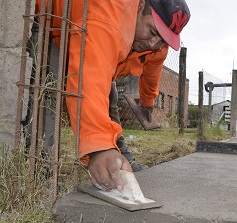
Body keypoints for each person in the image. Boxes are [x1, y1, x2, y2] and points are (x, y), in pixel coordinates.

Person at [30, 0, 191, 191]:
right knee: (49, 91)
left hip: (85, 33)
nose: (154, 44)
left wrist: (147, 103)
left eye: (163, 39)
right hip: (51, 24)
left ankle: (118, 153)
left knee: (110, 95)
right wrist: (98, 148)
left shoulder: (157, 45)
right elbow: (90, 76)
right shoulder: (112, 12)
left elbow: (152, 73)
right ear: (139, 6)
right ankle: (39, 170)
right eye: (153, 32)